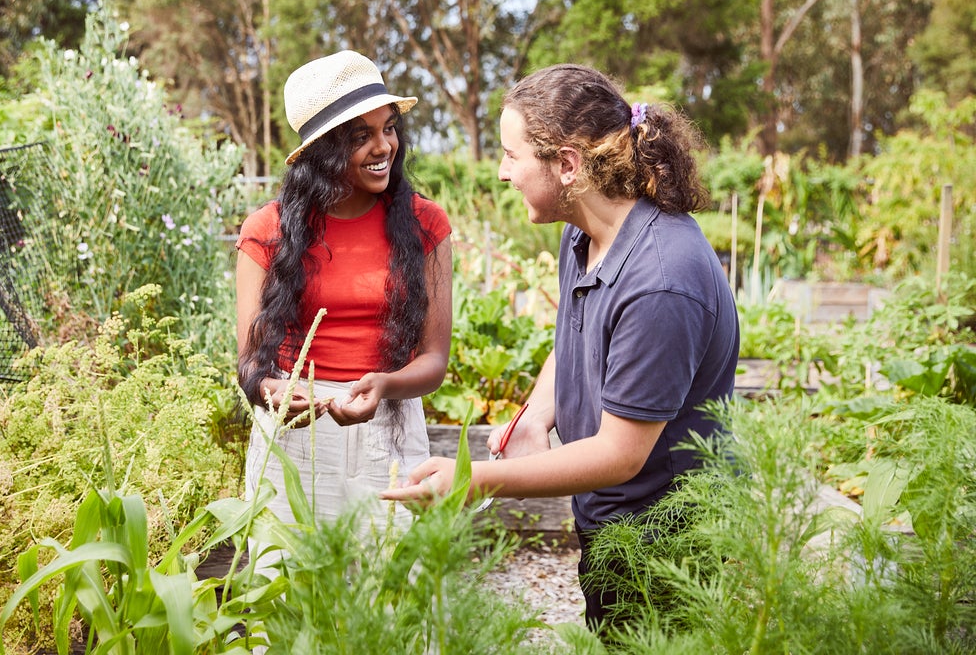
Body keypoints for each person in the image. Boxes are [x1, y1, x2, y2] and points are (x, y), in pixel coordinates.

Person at [382, 64, 739, 633]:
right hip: (610, 517)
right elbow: (574, 330)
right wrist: (538, 414)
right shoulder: (586, 234)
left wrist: (470, 480)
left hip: (669, 542)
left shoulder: (662, 281)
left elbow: (622, 453)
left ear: (567, 164)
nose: (502, 173)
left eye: (511, 154)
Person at [236, 49, 453, 543]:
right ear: (322, 151)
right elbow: (250, 366)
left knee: (392, 599)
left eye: (390, 128)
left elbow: (434, 361)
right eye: (362, 136)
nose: (385, 146)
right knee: (286, 599)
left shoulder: (426, 224)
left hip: (389, 431)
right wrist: (277, 392)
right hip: (291, 439)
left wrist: (383, 385)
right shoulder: (267, 231)